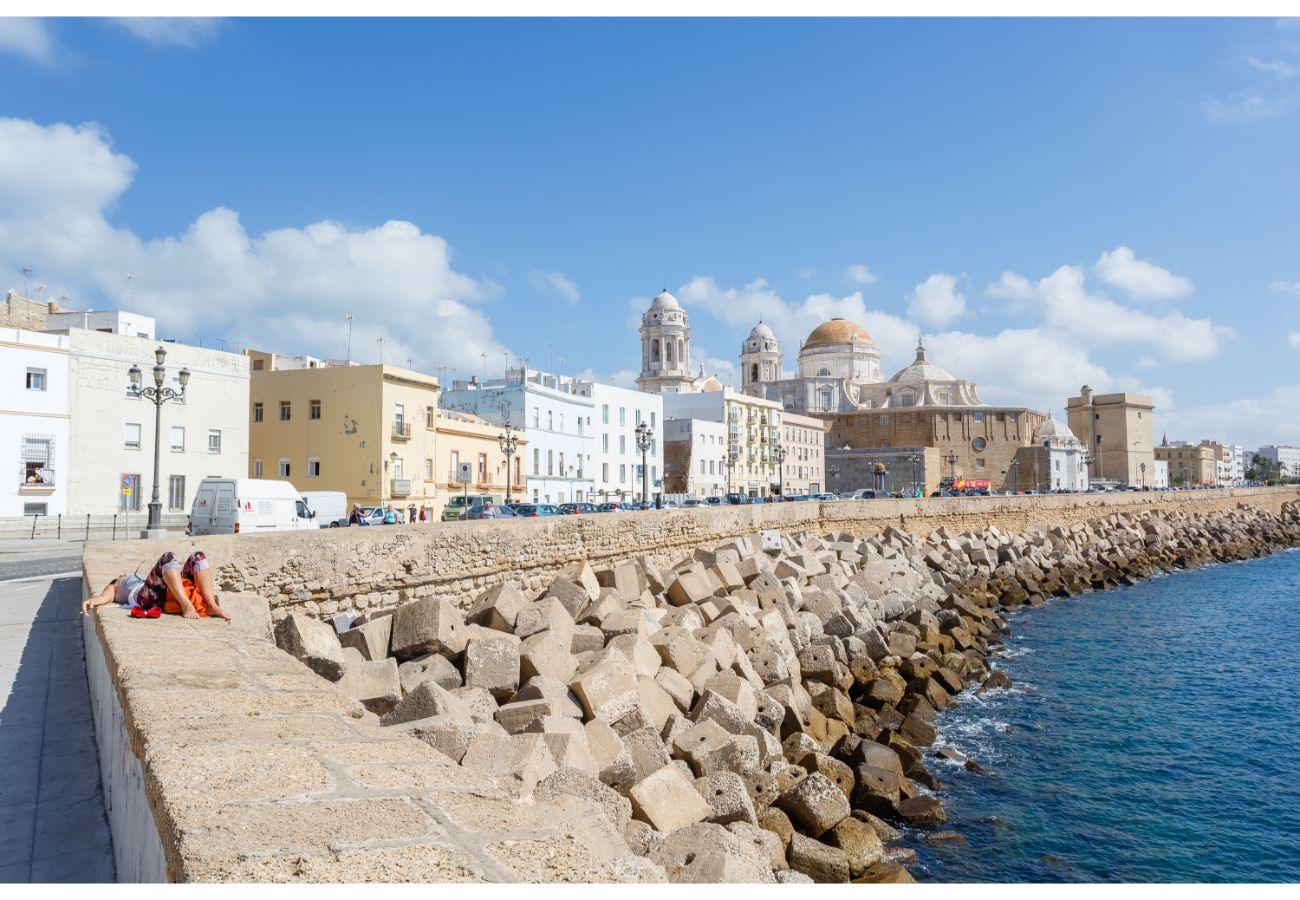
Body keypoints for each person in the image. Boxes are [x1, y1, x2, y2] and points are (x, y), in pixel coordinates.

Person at [82, 550, 230, 621]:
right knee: (168, 557)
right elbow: (106, 597)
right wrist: (93, 601)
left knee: (198, 557)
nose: (122, 575)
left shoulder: (147, 579)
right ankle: (186, 605)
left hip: (163, 591)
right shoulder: (116, 583)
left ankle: (211, 605)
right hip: (144, 598)